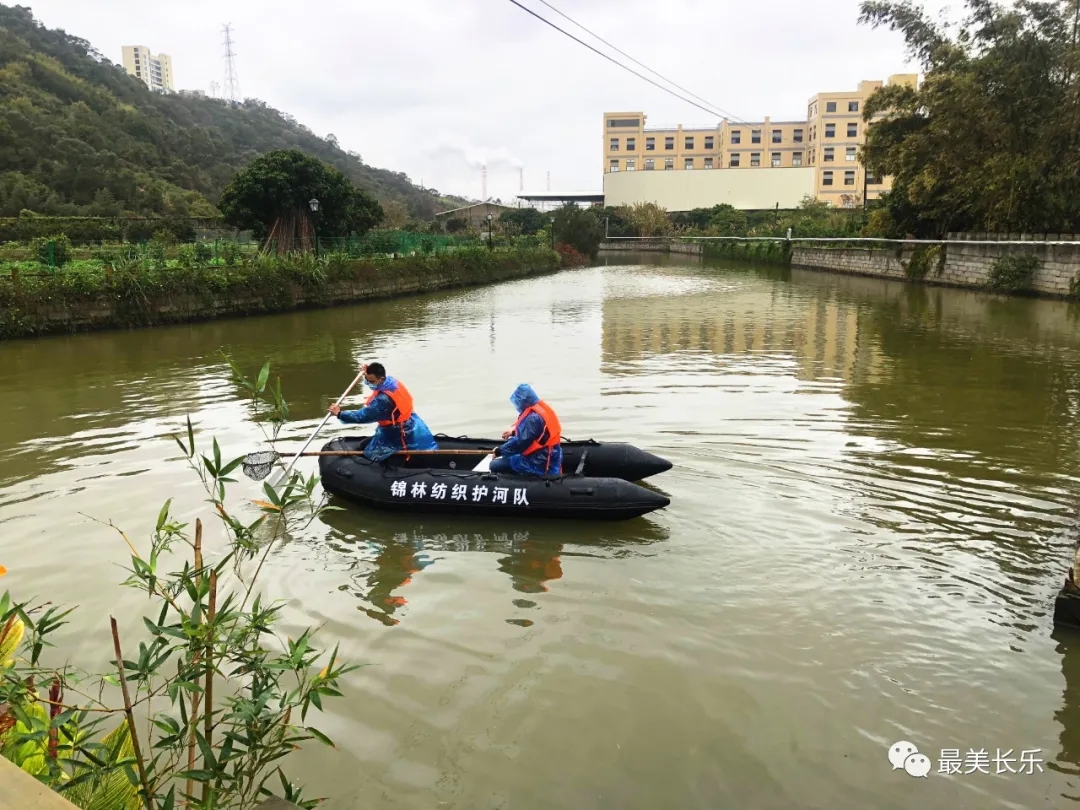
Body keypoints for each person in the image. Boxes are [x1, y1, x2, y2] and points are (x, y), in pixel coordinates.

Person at [328, 362, 438, 461]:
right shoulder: (392, 382)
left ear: (381, 379)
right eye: (367, 380)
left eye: (371, 381)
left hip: (397, 433)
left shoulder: (383, 400)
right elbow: (373, 376)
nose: (369, 383)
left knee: (371, 456)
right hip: (409, 422)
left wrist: (340, 414)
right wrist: (366, 371)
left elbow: (363, 416)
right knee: (364, 445)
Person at [490, 383, 563, 476]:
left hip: (537, 461)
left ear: (525, 402)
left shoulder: (532, 418)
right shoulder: (540, 410)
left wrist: (499, 451)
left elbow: (520, 443)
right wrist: (513, 432)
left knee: (494, 465)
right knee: (509, 454)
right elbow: (534, 433)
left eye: (518, 402)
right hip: (550, 455)